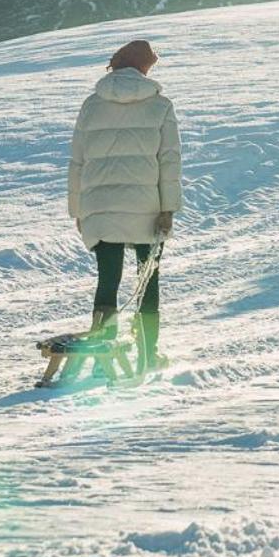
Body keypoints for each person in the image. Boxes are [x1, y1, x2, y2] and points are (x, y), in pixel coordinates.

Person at [68, 39, 181, 371]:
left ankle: (104, 360)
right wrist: (167, 209)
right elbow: (169, 161)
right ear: (144, 67)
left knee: (108, 282)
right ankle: (147, 357)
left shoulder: (91, 105)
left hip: (100, 207)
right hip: (147, 208)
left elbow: (77, 161)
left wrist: (78, 209)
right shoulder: (160, 105)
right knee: (148, 281)